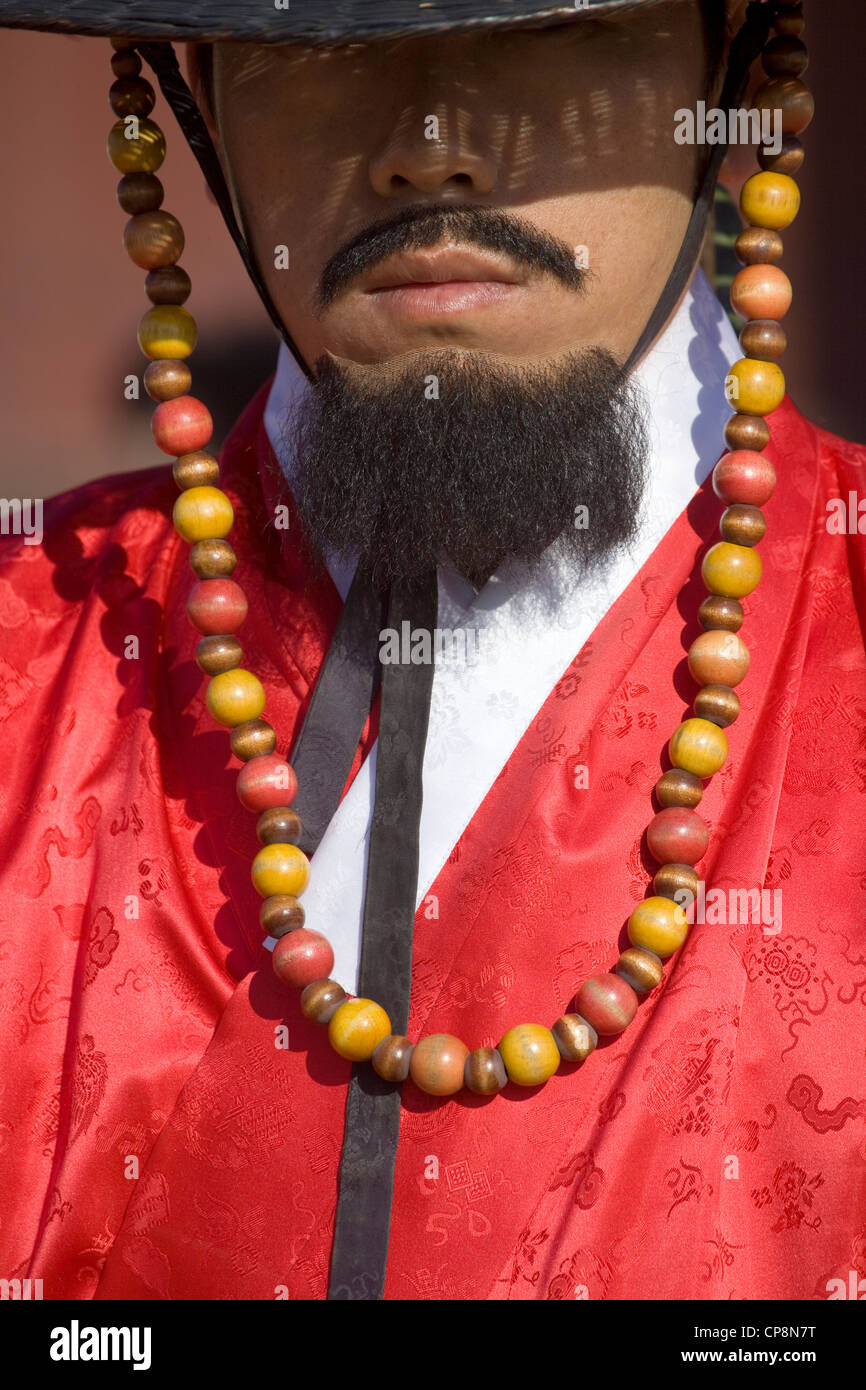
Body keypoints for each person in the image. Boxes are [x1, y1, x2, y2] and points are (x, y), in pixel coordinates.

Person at [0, 0, 864, 1302]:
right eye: (319, 42)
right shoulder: (26, 650)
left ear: (736, 57)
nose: (429, 147)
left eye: (552, 30)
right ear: (188, 97)